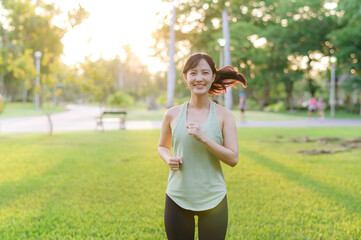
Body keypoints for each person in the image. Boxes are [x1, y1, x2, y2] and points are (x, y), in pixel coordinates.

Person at [158, 52, 247, 240]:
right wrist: (168, 159)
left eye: (205, 73)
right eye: (193, 73)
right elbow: (162, 146)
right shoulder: (171, 114)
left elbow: (233, 158)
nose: (199, 78)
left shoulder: (224, 116)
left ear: (213, 76)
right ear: (185, 78)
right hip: (177, 197)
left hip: (214, 199)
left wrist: (204, 138)